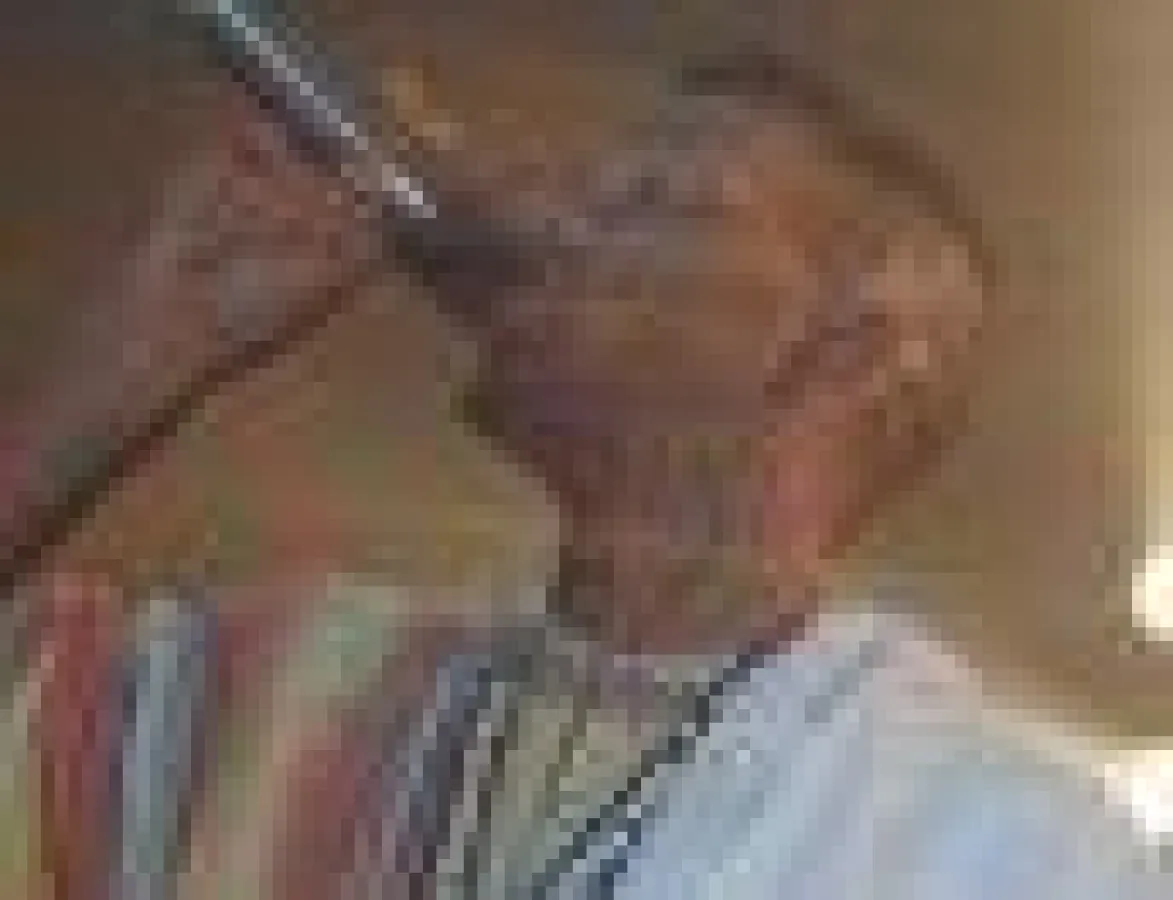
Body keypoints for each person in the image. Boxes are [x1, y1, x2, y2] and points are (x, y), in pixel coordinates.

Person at [11, 45, 1165, 900]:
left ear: (854, 350)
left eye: (657, 203)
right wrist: (134, 352)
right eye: (582, 189)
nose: (546, 222)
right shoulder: (284, 690)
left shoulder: (1002, 845)